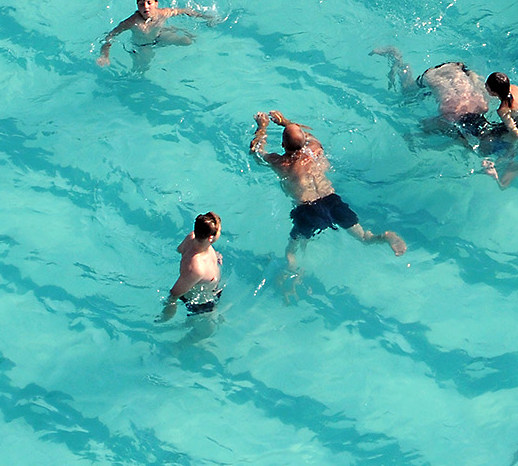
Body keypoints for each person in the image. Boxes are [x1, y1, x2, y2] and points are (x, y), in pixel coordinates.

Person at [249, 111, 406, 286]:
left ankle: (291, 268)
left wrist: (262, 127)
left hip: (307, 209)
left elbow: (256, 151)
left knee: (291, 251)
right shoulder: (315, 149)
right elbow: (304, 135)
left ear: (282, 144)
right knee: (363, 237)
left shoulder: (280, 162)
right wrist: (285, 122)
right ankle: (382, 237)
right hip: (331, 200)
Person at [100, 0, 217, 66]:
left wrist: (205, 17)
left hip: (160, 36)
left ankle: (177, 30)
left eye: (149, 3)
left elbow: (185, 11)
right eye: (141, 4)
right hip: (143, 45)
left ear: (156, 3)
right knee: (144, 65)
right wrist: (105, 55)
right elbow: (110, 35)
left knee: (187, 41)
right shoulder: (132, 21)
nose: (145, 7)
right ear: (137, 6)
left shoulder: (163, 13)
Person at [161, 212, 221, 320]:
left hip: (211, 289)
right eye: (219, 231)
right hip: (201, 303)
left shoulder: (192, 237)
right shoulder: (197, 268)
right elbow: (174, 293)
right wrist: (170, 310)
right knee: (208, 331)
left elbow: (180, 250)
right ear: (211, 238)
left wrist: (215, 255)